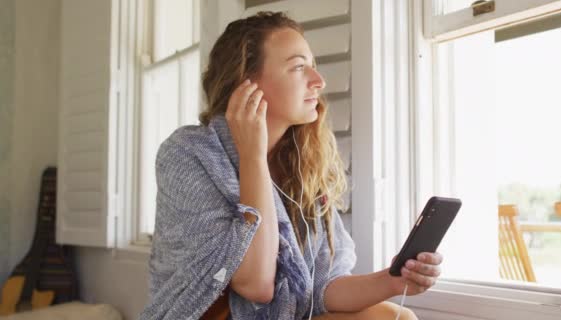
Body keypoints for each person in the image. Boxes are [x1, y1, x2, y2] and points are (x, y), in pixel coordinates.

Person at [140, 11, 443, 320]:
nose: (318, 80)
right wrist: (253, 157)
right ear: (246, 83)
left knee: (395, 316)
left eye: (312, 65)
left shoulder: (302, 161)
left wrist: (392, 280)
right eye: (299, 67)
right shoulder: (187, 153)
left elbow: (323, 289)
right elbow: (255, 285)